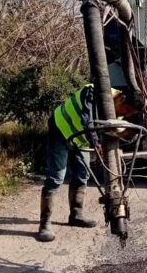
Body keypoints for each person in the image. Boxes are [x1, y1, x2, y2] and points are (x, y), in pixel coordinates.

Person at [37, 84, 135, 242]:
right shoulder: (92, 91)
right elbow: (86, 118)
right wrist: (96, 143)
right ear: (121, 99)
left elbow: (111, 130)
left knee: (83, 174)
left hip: (80, 138)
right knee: (56, 177)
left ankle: (76, 214)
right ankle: (44, 224)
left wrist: (128, 134)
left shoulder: (115, 112)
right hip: (60, 130)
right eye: (126, 110)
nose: (124, 114)